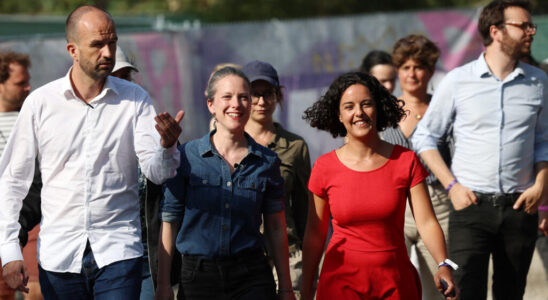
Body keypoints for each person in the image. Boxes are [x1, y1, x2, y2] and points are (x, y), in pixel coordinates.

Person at [0, 5, 184, 299]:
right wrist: (9, 251)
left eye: (112, 42)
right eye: (97, 44)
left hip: (118, 251)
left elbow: (157, 173)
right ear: (72, 49)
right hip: (59, 257)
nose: (108, 53)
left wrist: (166, 146)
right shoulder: (41, 104)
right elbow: (12, 181)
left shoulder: (135, 99)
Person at [412, 0, 548, 299]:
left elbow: (543, 140)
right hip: (470, 208)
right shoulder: (458, 80)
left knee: (511, 294)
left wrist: (541, 185)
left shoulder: (539, 81)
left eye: (531, 25)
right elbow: (424, 137)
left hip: (519, 208)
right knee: (464, 294)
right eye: (523, 25)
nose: (531, 31)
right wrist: (451, 186)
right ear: (496, 31)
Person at [300, 72, 457, 300]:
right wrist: (305, 290)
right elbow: (315, 235)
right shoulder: (324, 167)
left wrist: (443, 264)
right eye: (349, 107)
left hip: (395, 284)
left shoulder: (406, 160)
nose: (359, 113)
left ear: (379, 108)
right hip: (340, 286)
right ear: (339, 115)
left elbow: (426, 222)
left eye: (366, 104)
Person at [156, 66, 295, 300]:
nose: (236, 104)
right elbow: (169, 221)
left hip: (251, 276)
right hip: (198, 279)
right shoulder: (186, 157)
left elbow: (275, 227)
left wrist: (286, 287)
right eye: (227, 97)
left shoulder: (267, 161)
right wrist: (163, 285)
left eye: (243, 97)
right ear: (211, 104)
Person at [381, 34, 450, 300]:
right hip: (393, 203)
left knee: (441, 285)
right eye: (406, 67)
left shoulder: (443, 108)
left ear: (431, 71)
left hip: (438, 203)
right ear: (398, 70)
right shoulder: (383, 110)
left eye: (419, 66)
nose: (412, 73)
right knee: (394, 283)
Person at [243, 60, 311, 295]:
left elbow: (305, 209)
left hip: (289, 255)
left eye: (268, 94)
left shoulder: (295, 146)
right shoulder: (229, 143)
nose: (261, 102)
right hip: (243, 257)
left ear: (278, 96)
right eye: (254, 94)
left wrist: (310, 260)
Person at [0, 51, 42, 300]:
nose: (28, 88)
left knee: (35, 289)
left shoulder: (32, 120)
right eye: (19, 83)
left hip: (29, 219)